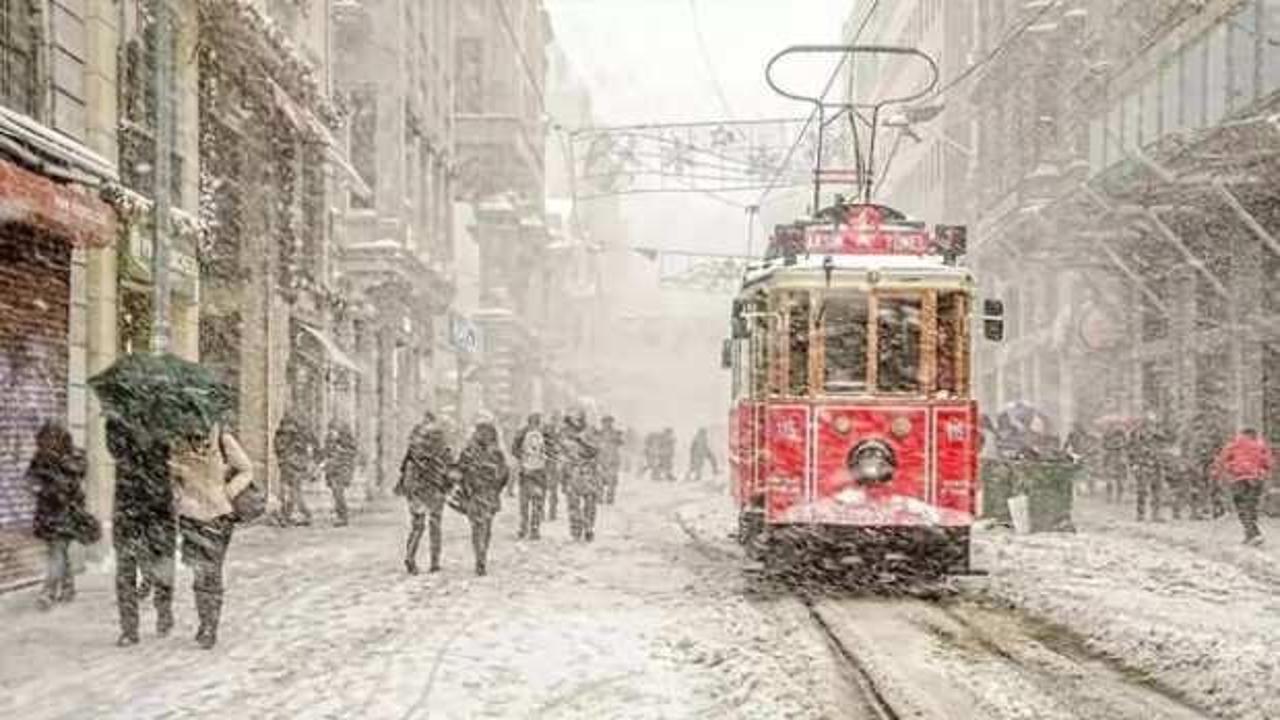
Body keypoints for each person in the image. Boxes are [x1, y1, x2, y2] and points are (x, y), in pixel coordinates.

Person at [169, 422, 254, 649]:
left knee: (212, 570)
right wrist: (178, 495)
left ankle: (210, 626)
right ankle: (205, 620)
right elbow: (170, 476)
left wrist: (228, 491)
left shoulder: (222, 439)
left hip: (219, 516)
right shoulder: (177, 441)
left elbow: (246, 469)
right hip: (191, 517)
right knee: (199, 572)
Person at [106, 415, 176, 646]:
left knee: (163, 564)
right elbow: (114, 448)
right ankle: (129, 629)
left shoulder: (166, 418)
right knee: (125, 571)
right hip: (128, 509)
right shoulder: (118, 421)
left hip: (159, 508)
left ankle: (164, 610)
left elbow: (172, 451)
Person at [27, 421, 89, 610]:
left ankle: (48, 592)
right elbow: (31, 479)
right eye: (44, 439)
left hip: (67, 512)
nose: (47, 443)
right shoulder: (40, 457)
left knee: (57, 550)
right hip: (47, 512)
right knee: (58, 551)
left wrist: (55, 471)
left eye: (51, 438)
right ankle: (68, 587)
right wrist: (37, 484)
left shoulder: (75, 457)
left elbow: (73, 482)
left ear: (61, 439)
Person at [396, 413, 455, 574]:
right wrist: (449, 485)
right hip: (435, 487)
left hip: (416, 487)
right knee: (435, 525)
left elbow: (404, 467)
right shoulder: (443, 443)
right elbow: (450, 466)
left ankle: (410, 557)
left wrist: (403, 485)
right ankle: (434, 562)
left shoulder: (414, 446)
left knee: (417, 525)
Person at [455, 422, 510, 575]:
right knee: (486, 526)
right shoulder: (496, 452)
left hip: (474, 494)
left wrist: (465, 484)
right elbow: (505, 474)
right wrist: (497, 487)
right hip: (489, 494)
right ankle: (482, 555)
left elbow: (459, 471)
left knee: (476, 527)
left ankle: (479, 555)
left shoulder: (468, 451)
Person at [1212, 428, 1273, 546]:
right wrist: (1263, 474)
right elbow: (1269, 463)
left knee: (1242, 507)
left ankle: (1253, 534)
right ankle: (1251, 534)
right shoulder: (1261, 446)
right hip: (1256, 479)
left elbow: (1221, 460)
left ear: (1242, 435)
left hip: (1239, 479)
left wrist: (1220, 473)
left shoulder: (1233, 445)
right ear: (1254, 435)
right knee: (1251, 506)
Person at [562, 412, 602, 541]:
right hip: (573, 474)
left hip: (588, 473)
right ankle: (576, 530)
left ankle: (588, 527)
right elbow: (562, 457)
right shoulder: (565, 436)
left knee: (589, 504)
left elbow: (595, 451)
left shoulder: (591, 434)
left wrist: (581, 441)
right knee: (574, 505)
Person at [274, 408, 316, 526]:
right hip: (291, 465)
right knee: (292, 491)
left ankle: (289, 515)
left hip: (291, 465)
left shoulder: (290, 433)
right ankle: (297, 515)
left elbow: (280, 448)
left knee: (291, 491)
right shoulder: (295, 433)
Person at [511, 413, 549, 540]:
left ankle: (527, 527)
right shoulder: (544, 433)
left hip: (528, 472)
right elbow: (552, 450)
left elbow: (514, 449)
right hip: (537, 472)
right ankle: (533, 528)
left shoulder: (522, 432)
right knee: (533, 501)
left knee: (526, 502)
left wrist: (522, 458)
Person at [1128, 417, 1166, 522]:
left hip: (1156, 465)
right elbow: (1131, 451)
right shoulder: (1136, 436)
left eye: (1153, 424)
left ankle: (1156, 514)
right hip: (1142, 465)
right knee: (1142, 491)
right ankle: (1140, 514)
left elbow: (1162, 446)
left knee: (1157, 491)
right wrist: (1133, 464)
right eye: (1149, 424)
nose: (1151, 427)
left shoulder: (1157, 436)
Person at [324, 418, 358, 526]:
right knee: (336, 492)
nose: (332, 432)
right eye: (331, 430)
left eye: (334, 430)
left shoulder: (347, 442)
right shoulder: (329, 440)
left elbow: (351, 455)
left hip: (342, 470)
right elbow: (326, 453)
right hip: (332, 469)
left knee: (338, 491)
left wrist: (340, 453)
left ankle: (342, 516)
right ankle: (340, 514)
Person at [597, 416, 624, 504]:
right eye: (605, 422)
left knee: (612, 481)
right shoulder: (598, 433)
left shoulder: (615, 433)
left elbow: (621, 442)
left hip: (613, 460)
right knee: (599, 480)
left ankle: (610, 498)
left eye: (609, 422)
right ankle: (599, 497)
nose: (607, 424)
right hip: (600, 460)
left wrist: (617, 439)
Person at [1100, 423, 1128, 503]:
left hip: (1116, 461)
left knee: (1115, 481)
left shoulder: (1119, 441)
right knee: (1115, 481)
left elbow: (1106, 447)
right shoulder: (1118, 441)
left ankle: (1115, 497)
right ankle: (1115, 497)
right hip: (1115, 461)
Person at [544, 412, 564, 522]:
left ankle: (552, 512)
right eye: (555, 419)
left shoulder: (561, 431)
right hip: (546, 461)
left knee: (553, 490)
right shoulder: (546, 429)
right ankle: (542, 511)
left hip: (555, 462)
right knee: (544, 488)